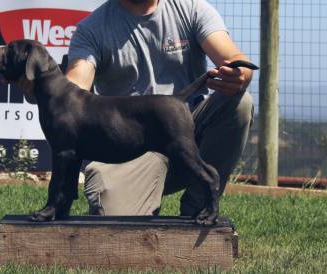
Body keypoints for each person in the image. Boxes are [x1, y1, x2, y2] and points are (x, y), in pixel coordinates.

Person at [66, 0, 254, 217]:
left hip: (188, 135)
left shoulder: (192, 8)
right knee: (117, 226)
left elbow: (233, 58)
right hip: (129, 147)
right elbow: (73, 89)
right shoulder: (92, 28)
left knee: (239, 103)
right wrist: (44, 86)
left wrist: (240, 74)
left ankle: (198, 208)